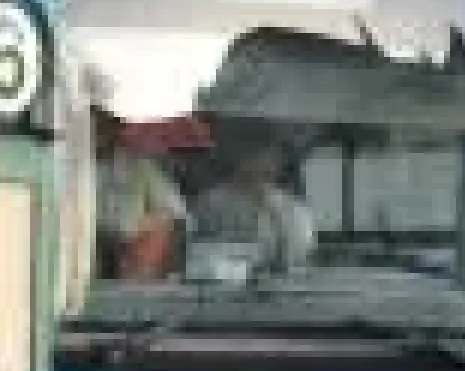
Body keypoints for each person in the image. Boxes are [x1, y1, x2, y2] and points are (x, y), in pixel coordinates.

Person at [193, 137, 316, 274]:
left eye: (268, 159)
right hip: (226, 278)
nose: (259, 165)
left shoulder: (292, 209)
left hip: (275, 280)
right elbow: (199, 248)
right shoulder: (211, 202)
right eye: (254, 157)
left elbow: (300, 249)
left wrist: (274, 212)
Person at [94, 110, 188, 280]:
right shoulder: (65, 164)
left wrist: (139, 226)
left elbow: (175, 212)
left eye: (103, 126)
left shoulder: (138, 165)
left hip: (132, 260)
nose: (97, 133)